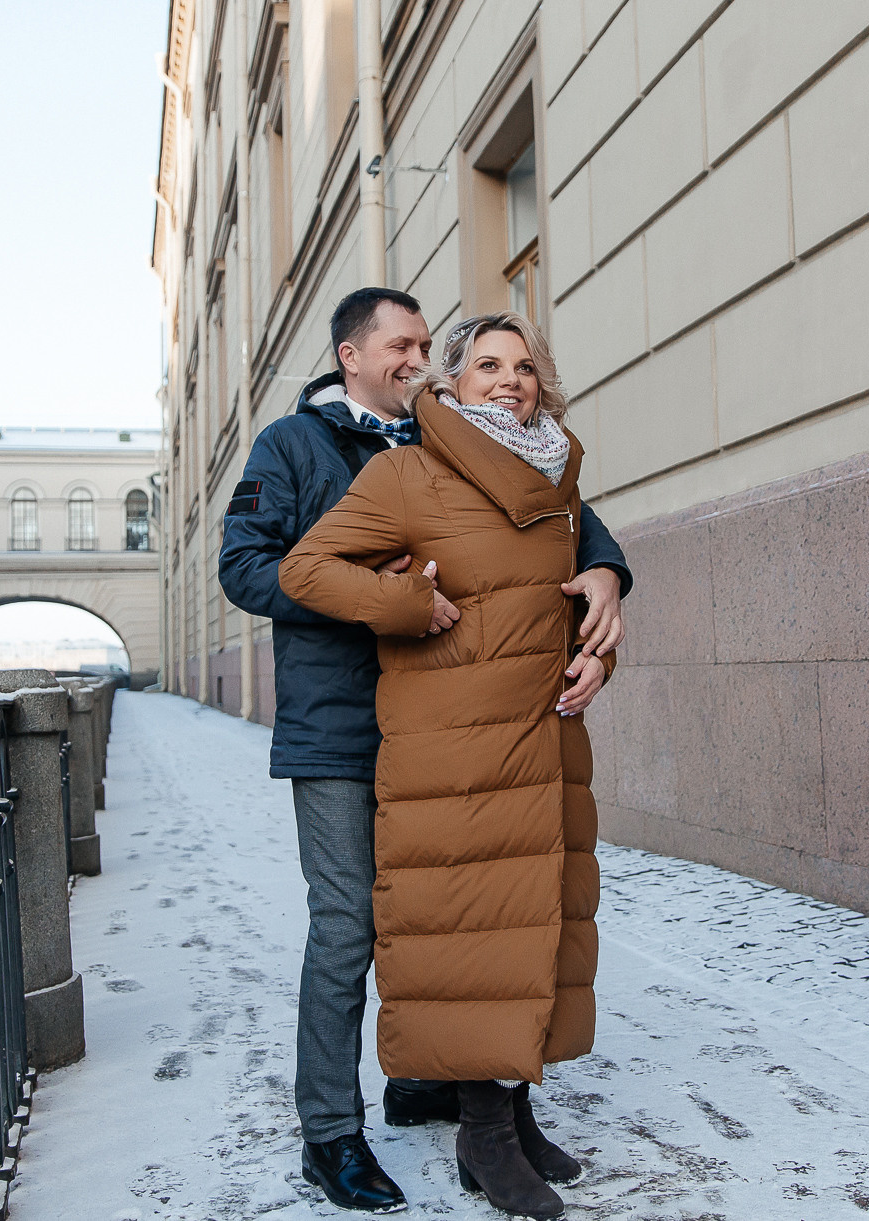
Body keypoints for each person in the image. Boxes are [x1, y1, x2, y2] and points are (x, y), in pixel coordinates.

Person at [217, 289, 631, 1213]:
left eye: (421, 344)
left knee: (454, 909)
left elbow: (556, 525)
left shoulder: (458, 439)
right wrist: (387, 595)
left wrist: (605, 575)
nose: (414, 358)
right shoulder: (300, 446)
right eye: (399, 344)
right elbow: (254, 566)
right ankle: (332, 1129)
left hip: (451, 718)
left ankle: (423, 1081)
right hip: (343, 721)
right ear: (351, 355)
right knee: (351, 925)